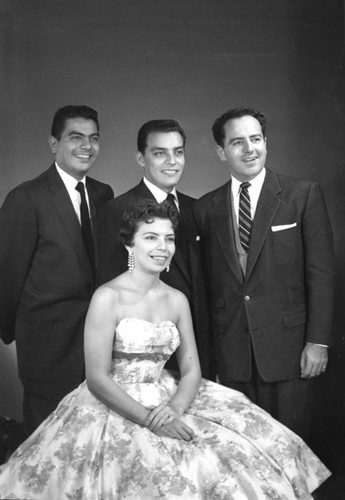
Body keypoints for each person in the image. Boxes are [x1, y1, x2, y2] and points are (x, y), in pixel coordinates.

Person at [0, 200, 331, 499]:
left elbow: (191, 370)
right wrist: (152, 421)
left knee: (240, 454)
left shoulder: (177, 300)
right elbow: (97, 378)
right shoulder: (107, 297)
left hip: (169, 397)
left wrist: (174, 409)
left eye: (169, 238)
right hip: (112, 402)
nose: (163, 247)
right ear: (130, 244)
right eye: (151, 237)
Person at [193, 106, 335, 442]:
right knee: (243, 457)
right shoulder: (204, 208)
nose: (249, 149)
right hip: (232, 357)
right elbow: (207, 288)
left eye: (256, 139)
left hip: (289, 352)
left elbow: (322, 274)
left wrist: (317, 342)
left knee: (290, 451)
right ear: (221, 151)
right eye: (238, 142)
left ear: (266, 142)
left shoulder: (302, 195)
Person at [0, 105, 114, 435]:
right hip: (47, 347)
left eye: (93, 138)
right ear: (54, 144)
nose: (86, 146)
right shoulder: (26, 198)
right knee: (46, 447)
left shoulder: (103, 193)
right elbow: (7, 276)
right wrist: (16, 333)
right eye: (75, 137)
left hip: (96, 347)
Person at [99, 119, 213, 378]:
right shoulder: (117, 210)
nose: (172, 161)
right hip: (147, 358)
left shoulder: (199, 208)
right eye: (160, 153)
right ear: (141, 158)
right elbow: (109, 287)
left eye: (179, 152)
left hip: (200, 351)